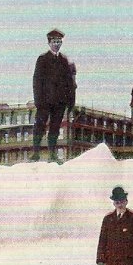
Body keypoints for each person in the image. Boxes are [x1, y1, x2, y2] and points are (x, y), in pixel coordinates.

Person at [32, 28, 77, 163]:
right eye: (54, 41)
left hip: (60, 103)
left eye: (59, 41)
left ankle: (52, 154)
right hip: (45, 102)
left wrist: (71, 102)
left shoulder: (64, 61)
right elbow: (37, 81)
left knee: (55, 128)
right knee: (39, 125)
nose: (56, 44)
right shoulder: (42, 59)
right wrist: (38, 100)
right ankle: (36, 153)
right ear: (49, 43)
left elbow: (70, 83)